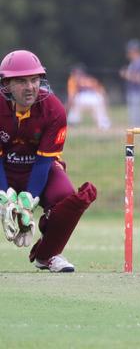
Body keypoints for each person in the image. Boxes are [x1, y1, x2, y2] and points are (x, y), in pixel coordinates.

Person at [0, 50, 97, 272]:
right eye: (21, 81)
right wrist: (5, 198)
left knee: (66, 197)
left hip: (37, 169)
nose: (30, 87)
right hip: (4, 169)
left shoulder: (54, 110)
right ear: (6, 84)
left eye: (35, 79)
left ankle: (48, 255)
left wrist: (27, 204)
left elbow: (44, 163)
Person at [67, 64, 111, 130]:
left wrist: (67, 107)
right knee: (100, 111)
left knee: (75, 106)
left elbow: (72, 96)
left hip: (82, 98)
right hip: (95, 98)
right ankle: (104, 125)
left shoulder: (73, 80)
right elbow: (101, 92)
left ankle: (73, 123)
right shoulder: (91, 80)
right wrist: (105, 101)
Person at [119, 39, 140, 127]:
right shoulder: (134, 62)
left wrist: (126, 74)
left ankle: (138, 133)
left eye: (130, 50)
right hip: (133, 92)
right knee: (133, 117)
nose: (128, 52)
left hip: (138, 93)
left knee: (137, 117)